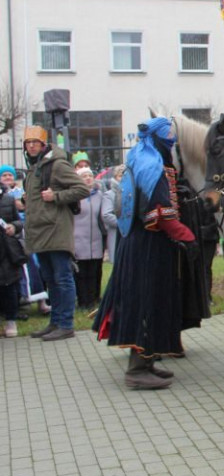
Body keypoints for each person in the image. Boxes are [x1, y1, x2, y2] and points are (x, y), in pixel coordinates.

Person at [93, 117, 202, 389]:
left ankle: (148, 361)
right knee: (146, 302)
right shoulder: (152, 165)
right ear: (156, 136)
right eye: (167, 133)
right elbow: (160, 212)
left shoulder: (141, 159)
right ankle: (137, 370)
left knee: (152, 301)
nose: (172, 138)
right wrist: (186, 236)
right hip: (149, 247)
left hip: (140, 243)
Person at [21, 125, 90, 341]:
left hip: (56, 231)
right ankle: (55, 322)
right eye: (28, 143)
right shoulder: (34, 167)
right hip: (40, 232)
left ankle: (66, 324)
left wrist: (56, 196)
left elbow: (82, 189)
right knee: (50, 279)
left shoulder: (57, 165)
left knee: (62, 278)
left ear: (43, 145)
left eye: (35, 142)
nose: (31, 146)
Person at [71, 167, 106, 309]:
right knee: (81, 272)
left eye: (90, 175)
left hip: (96, 238)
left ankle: (94, 299)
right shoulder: (74, 196)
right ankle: (83, 301)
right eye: (84, 176)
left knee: (95, 270)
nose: (88, 178)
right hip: (78, 237)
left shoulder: (100, 195)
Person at [1, 169, 26, 337]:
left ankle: (11, 322)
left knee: (8, 286)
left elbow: (18, 221)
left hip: (5, 249)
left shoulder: (8, 199)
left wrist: (14, 226)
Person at [100, 165, 124, 263]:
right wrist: (124, 224)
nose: (122, 178)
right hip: (116, 234)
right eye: (120, 176)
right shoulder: (109, 195)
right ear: (115, 177)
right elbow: (106, 215)